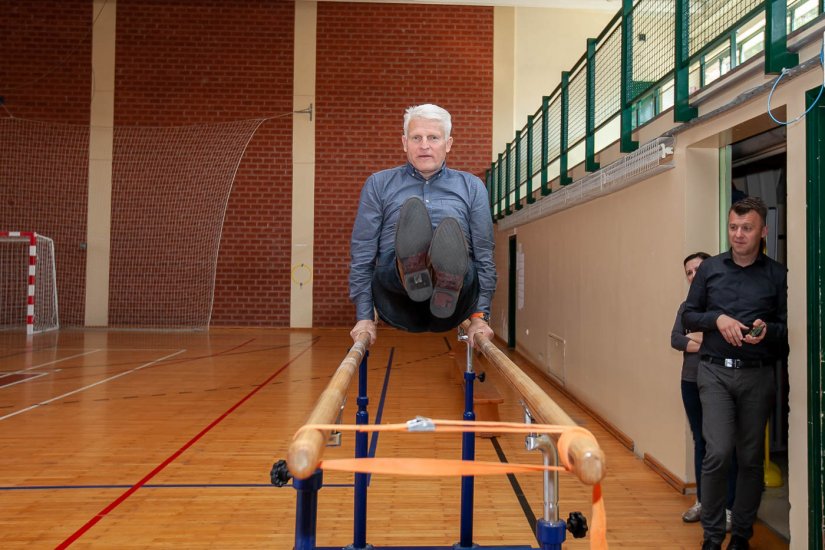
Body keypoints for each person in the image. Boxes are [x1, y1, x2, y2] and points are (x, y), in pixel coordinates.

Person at [682, 197, 788, 550]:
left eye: (747, 228)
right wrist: (717, 319)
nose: (738, 234)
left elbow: (788, 330)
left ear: (763, 232)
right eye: (733, 228)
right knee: (718, 452)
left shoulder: (777, 275)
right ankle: (712, 536)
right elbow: (689, 317)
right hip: (714, 374)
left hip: (758, 376)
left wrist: (767, 330)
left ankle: (741, 534)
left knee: (750, 457)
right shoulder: (711, 269)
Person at [348, 104, 496, 348]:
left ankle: (443, 277)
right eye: (417, 137)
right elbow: (363, 253)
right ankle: (413, 268)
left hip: (454, 305)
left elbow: (484, 254)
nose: (424, 145)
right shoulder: (379, 184)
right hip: (397, 299)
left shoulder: (471, 186)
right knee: (390, 263)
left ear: (448, 143)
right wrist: (364, 317)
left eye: (433, 137)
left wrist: (480, 318)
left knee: (463, 262)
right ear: (405, 143)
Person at [671, 252, 736, 531]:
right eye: (689, 272)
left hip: (722, 382)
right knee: (702, 442)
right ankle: (703, 501)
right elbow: (675, 339)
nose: (694, 275)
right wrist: (709, 340)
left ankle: (730, 507)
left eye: (699, 269)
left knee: (724, 444)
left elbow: (733, 341)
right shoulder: (687, 307)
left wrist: (698, 338)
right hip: (691, 381)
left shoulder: (727, 304)